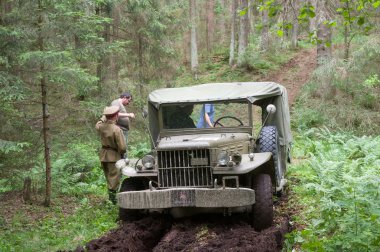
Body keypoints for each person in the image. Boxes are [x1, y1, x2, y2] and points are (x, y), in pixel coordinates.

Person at [96, 106, 127, 204]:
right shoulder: (116, 129)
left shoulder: (101, 126)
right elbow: (122, 148)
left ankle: (111, 200)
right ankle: (112, 201)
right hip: (114, 156)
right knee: (114, 179)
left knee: (108, 178)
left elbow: (98, 123)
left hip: (103, 155)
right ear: (116, 116)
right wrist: (121, 155)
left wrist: (103, 117)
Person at [111, 92, 135, 156]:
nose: (128, 103)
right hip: (120, 130)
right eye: (128, 101)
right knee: (122, 147)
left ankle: (123, 160)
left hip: (123, 130)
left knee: (124, 147)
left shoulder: (119, 104)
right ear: (124, 98)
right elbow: (114, 114)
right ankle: (123, 162)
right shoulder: (116, 103)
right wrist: (129, 115)